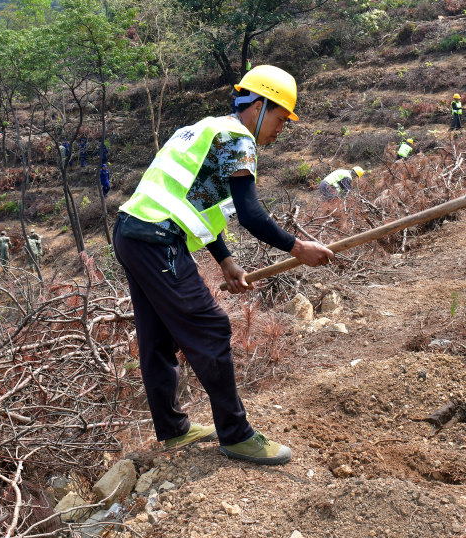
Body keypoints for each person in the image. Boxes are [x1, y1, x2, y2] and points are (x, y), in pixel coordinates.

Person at [113, 64, 333, 466]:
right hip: (158, 239)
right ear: (259, 105)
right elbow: (250, 214)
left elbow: (192, 199)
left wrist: (225, 260)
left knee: (157, 337)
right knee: (212, 328)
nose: (281, 129)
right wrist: (297, 248)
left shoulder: (207, 129)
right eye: (281, 118)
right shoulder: (237, 138)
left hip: (132, 234)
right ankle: (237, 435)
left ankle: (173, 431)